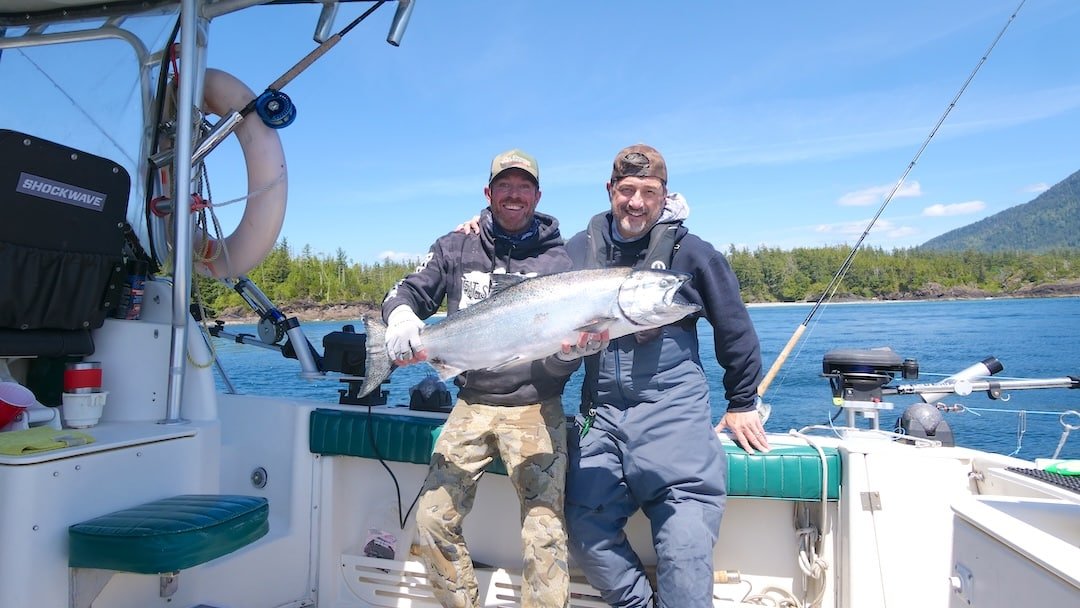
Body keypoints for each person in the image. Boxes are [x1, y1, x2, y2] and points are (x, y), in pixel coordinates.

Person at [381, 149, 603, 608]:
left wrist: (568, 357)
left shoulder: (561, 262)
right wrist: (402, 319)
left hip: (536, 404)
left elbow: (563, 359)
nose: (514, 194)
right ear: (488, 192)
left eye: (524, 186)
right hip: (471, 402)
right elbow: (408, 290)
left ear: (538, 196)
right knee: (432, 519)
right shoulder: (456, 245)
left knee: (545, 533)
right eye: (505, 185)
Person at [562, 144, 768, 608]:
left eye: (648, 192)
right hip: (601, 418)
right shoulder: (577, 250)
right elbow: (528, 280)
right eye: (627, 190)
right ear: (610, 190)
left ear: (664, 196)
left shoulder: (693, 254)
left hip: (674, 415)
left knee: (686, 547)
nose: (636, 202)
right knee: (584, 529)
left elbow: (734, 326)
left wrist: (741, 403)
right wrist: (480, 227)